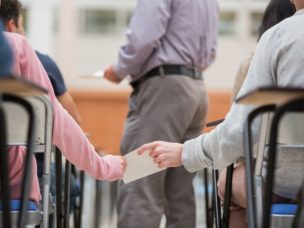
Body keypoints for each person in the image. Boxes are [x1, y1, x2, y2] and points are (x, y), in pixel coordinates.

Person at [138, 0, 304, 227]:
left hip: (283, 183)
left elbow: (241, 128)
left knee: (227, 182)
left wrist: (186, 152)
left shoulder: (277, 38)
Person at [103, 0, 219, 227]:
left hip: (165, 88)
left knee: (141, 184)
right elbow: (211, 50)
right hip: (196, 88)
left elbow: (144, 36)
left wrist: (119, 69)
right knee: (180, 194)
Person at [1, 27, 126, 205]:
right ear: (12, 23)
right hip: (10, 191)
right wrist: (102, 167)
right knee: (66, 186)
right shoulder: (15, 46)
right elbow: (57, 120)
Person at [0, 0, 82, 211]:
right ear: (10, 25)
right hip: (30, 175)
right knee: (71, 186)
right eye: (21, 25)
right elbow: (72, 119)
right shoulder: (43, 63)